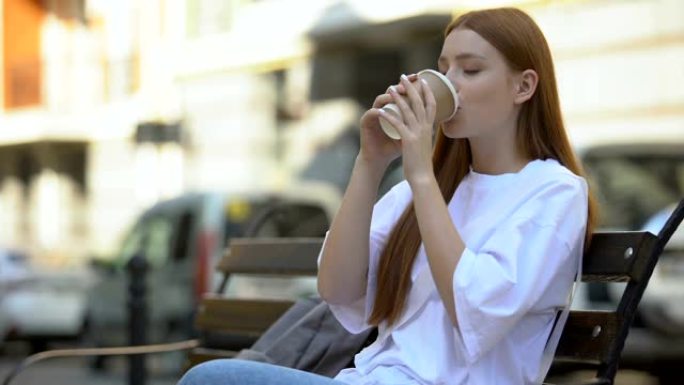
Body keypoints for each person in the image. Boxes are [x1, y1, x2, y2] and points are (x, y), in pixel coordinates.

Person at [178, 6, 597, 385]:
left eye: (470, 71)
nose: (450, 84)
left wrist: (420, 175)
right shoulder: (429, 189)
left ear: (523, 87)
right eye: (444, 68)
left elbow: (476, 307)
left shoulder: (553, 193)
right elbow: (337, 288)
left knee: (212, 380)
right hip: (367, 378)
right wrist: (370, 163)